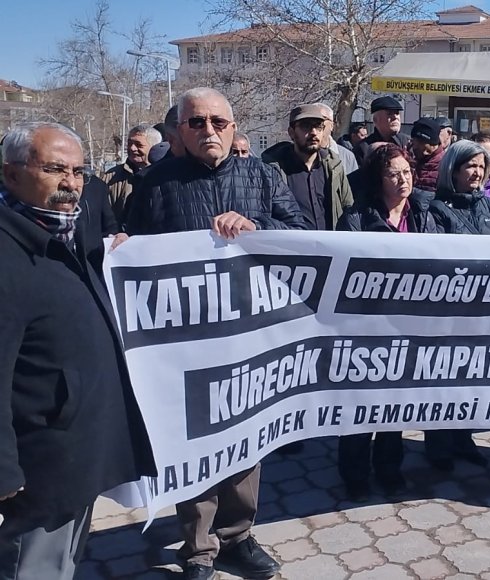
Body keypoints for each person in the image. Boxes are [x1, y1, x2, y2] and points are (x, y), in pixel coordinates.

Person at [127, 87, 307, 579]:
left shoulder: (261, 175)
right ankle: (198, 548)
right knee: (195, 443)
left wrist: (257, 225)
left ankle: (238, 536)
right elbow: (133, 250)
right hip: (186, 343)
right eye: (196, 122)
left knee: (246, 439)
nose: (209, 131)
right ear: (178, 131)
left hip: (250, 338)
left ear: (233, 126)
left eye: (218, 122)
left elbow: (300, 232)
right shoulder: (155, 184)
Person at [0, 122, 154, 580]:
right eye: (54, 169)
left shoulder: (70, 232)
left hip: (76, 450)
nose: (70, 183)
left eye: (79, 171)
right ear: (11, 174)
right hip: (38, 464)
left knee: (64, 562)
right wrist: (4, 470)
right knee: (32, 567)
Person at [336, 144, 437, 501]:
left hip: (407, 325)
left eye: (406, 172)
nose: (402, 180)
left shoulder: (422, 214)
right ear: (378, 180)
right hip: (366, 327)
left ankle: (389, 469)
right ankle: (354, 475)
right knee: (360, 408)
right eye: (393, 174)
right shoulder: (356, 219)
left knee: (394, 405)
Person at [424, 140, 490, 470]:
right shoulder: (436, 209)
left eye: (481, 166)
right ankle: (438, 447)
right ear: (453, 170)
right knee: (442, 379)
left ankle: (463, 438)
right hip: (450, 310)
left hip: (485, 309)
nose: (476, 172)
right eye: (470, 166)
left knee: (471, 379)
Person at [261, 103, 354, 231]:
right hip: (291, 242)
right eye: (306, 126)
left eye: (318, 126)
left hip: (330, 242)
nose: (313, 132)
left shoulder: (334, 166)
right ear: (291, 132)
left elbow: (348, 208)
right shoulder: (273, 170)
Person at [105, 123, 161, 222]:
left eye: (138, 145)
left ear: (154, 147)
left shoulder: (164, 175)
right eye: (130, 143)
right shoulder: (111, 177)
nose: (132, 148)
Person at [353, 96, 411, 164]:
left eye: (397, 113)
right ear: (375, 120)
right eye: (389, 114)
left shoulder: (407, 142)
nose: (395, 117)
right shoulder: (364, 148)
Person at [316, 103, 359, 174]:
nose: (315, 125)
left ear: (332, 125)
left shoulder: (347, 156)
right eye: (309, 122)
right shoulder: (299, 155)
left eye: (321, 120)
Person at [409, 117, 445, 192]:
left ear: (432, 144)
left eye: (420, 142)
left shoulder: (444, 166)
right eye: (413, 142)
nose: (415, 147)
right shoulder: (414, 162)